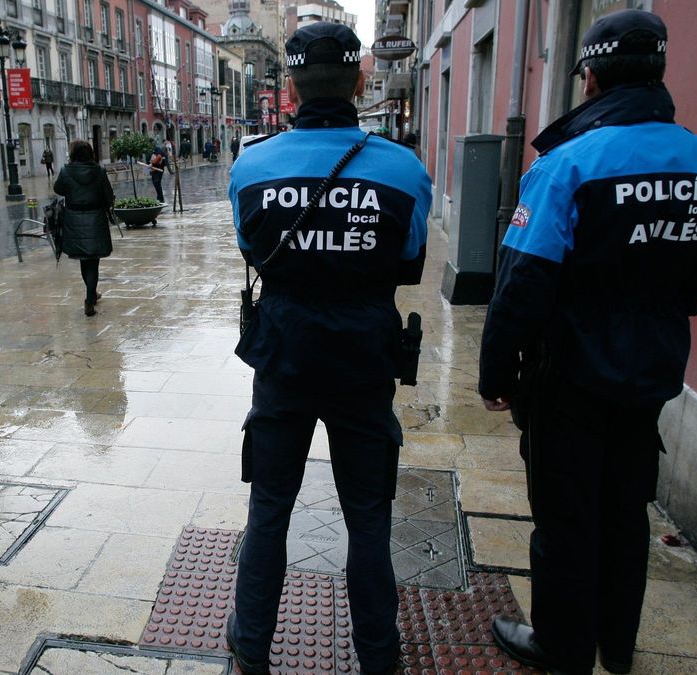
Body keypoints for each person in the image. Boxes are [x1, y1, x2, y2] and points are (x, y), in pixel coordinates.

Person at [478, 10, 697, 675]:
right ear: (656, 72)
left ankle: (562, 646)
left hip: (570, 372)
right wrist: (657, 291)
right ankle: (617, 644)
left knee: (565, 514)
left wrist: (496, 373)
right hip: (651, 367)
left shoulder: (569, 164)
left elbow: (522, 284)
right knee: (627, 509)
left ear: (591, 77)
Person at [227, 22, 431, 675]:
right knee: (368, 516)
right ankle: (378, 653)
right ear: (361, 81)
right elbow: (410, 264)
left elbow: (253, 251)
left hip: (283, 353)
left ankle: (252, 643)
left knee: (270, 508)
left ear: (288, 88)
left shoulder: (251, 164)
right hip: (365, 356)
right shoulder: (402, 168)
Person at [53, 140, 116, 317]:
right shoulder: (99, 171)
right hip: (95, 220)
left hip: (74, 220)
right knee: (93, 261)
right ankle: (90, 298)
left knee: (83, 259)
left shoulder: (66, 171)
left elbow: (58, 188)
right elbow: (109, 196)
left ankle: (91, 294)